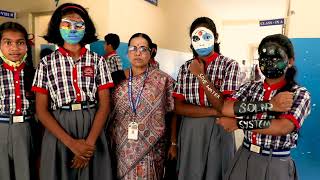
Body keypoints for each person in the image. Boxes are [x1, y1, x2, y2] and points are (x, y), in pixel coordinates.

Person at [31, 3, 113, 180]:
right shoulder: (46, 64)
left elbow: (105, 104)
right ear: (57, 27)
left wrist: (89, 145)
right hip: (59, 130)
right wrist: (72, 144)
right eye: (66, 24)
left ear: (86, 28)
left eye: (78, 24)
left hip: (93, 128)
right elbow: (41, 110)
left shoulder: (98, 61)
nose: (73, 28)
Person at [217, 34, 311, 180]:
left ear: (290, 61)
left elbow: (282, 127)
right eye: (264, 56)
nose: (269, 62)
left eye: (276, 57)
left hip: (275, 163)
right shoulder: (250, 87)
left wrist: (238, 123)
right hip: (244, 156)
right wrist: (270, 105)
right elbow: (226, 108)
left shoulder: (299, 93)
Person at [173, 17, 241, 180]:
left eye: (207, 36)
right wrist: (215, 110)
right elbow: (179, 107)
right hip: (191, 130)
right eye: (196, 38)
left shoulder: (229, 65)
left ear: (216, 37)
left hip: (220, 128)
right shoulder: (184, 68)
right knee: (191, 172)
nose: (201, 41)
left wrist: (201, 75)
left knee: (217, 172)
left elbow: (226, 105)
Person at [108, 33, 177, 179]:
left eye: (143, 48)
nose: (138, 52)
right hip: (120, 146)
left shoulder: (164, 80)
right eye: (133, 48)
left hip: (153, 148)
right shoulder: (115, 79)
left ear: (150, 52)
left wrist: (173, 143)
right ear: (127, 52)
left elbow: (172, 113)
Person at [0, 22, 36, 180]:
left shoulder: (34, 73)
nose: (14, 48)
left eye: (20, 43)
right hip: (1, 127)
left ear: (26, 46)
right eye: (8, 42)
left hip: (26, 129)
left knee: (25, 173)